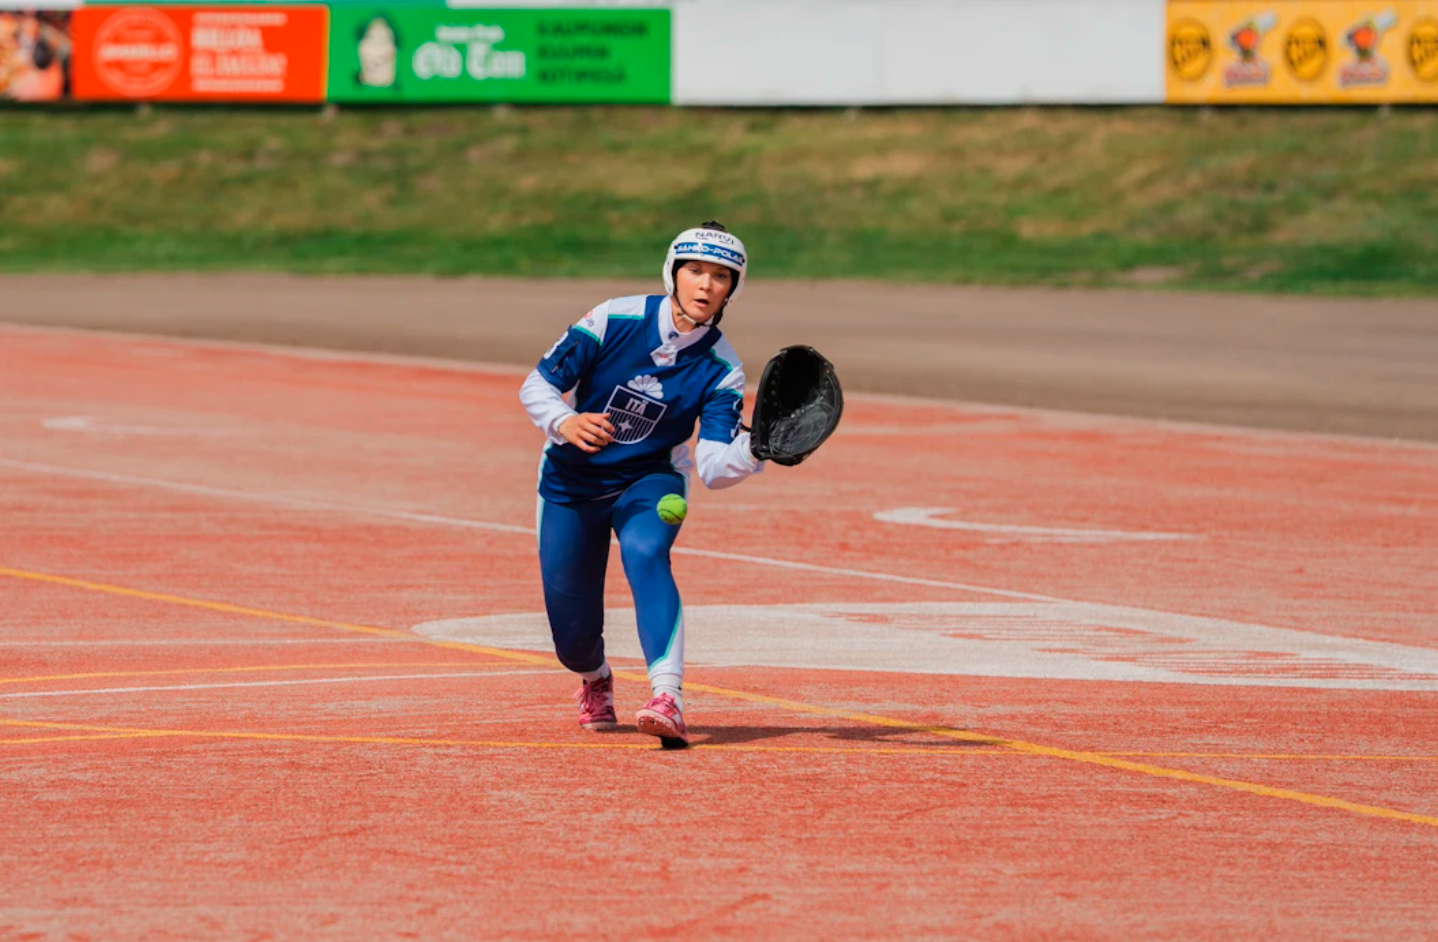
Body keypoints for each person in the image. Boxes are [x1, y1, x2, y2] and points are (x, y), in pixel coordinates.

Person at [518, 222, 765, 745]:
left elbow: (717, 467)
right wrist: (564, 420)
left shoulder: (723, 370)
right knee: (572, 638)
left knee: (646, 551)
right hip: (571, 482)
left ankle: (667, 696)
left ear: (732, 288)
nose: (705, 285)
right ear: (673, 272)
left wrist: (757, 449)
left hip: (651, 480)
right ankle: (595, 678)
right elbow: (537, 386)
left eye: (720, 276)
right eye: (694, 270)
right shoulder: (613, 318)